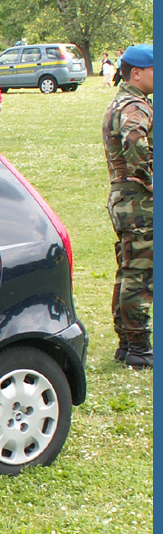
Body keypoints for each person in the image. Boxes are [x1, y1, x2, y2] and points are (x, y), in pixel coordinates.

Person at [102, 42, 153, 370]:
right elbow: (135, 144)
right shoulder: (135, 106)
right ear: (137, 73)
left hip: (125, 198)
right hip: (138, 201)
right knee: (140, 274)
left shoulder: (123, 101)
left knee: (129, 269)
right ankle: (138, 347)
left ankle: (127, 343)